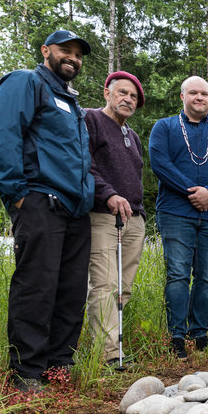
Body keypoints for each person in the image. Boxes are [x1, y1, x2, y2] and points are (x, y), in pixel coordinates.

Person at [0, 29, 95, 391]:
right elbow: (2, 134)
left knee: (71, 290)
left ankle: (58, 366)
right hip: (39, 200)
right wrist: (16, 193)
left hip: (76, 209)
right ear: (46, 51)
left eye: (78, 54)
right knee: (37, 286)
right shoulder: (25, 82)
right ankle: (27, 371)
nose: (72, 59)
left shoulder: (71, 101)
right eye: (65, 50)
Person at [149, 76, 208, 360]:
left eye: (204, 94)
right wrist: (193, 192)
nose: (199, 97)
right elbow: (160, 163)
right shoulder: (164, 127)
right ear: (182, 97)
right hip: (176, 213)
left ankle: (199, 333)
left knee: (207, 277)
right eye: (193, 93)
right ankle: (176, 334)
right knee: (177, 274)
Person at [85, 71, 146, 369]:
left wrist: (140, 212)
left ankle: (112, 346)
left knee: (124, 289)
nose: (127, 99)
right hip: (103, 216)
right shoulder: (91, 120)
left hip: (134, 219)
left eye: (133, 97)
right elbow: (85, 164)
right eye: (122, 92)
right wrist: (108, 194)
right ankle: (107, 354)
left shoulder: (132, 136)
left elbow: (135, 177)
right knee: (105, 284)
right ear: (107, 92)